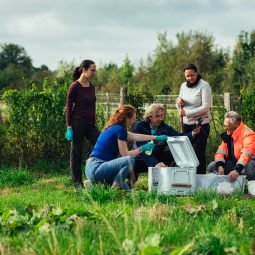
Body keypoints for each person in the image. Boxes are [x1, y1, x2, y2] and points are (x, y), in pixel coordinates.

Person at [85, 104, 168, 190]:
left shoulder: (114, 128)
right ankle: (113, 189)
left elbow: (136, 136)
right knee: (130, 160)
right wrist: (142, 148)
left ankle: (94, 184)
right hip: (97, 167)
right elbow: (125, 155)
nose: (134, 121)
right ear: (126, 118)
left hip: (90, 168)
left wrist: (156, 137)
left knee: (126, 189)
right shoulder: (120, 130)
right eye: (133, 119)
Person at [133, 103, 200, 175]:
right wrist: (155, 163)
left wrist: (192, 133)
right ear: (150, 117)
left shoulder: (165, 128)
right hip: (140, 156)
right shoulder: (140, 126)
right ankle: (129, 180)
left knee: (170, 150)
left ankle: (166, 175)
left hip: (156, 155)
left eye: (161, 115)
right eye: (157, 116)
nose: (160, 119)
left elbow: (178, 137)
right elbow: (142, 149)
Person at [65, 59, 100, 189]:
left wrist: (94, 121)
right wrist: (69, 127)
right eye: (92, 70)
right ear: (84, 70)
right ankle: (77, 184)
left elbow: (93, 106)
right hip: (77, 123)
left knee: (101, 145)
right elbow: (68, 107)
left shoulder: (92, 87)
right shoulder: (74, 86)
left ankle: (98, 175)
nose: (94, 73)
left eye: (95, 70)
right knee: (76, 153)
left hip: (90, 125)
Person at [208, 111, 255, 195]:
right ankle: (226, 184)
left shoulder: (248, 133)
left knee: (250, 168)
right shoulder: (227, 135)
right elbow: (220, 152)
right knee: (212, 166)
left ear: (236, 125)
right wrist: (220, 165)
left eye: (227, 126)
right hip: (235, 163)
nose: (225, 128)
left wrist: (237, 170)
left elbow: (246, 155)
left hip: (246, 164)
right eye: (224, 126)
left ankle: (252, 186)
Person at [176, 63, 212, 174]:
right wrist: (178, 102)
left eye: (192, 75)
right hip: (186, 124)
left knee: (198, 152)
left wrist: (186, 112)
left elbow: (206, 107)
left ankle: (200, 179)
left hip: (200, 124)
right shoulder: (183, 86)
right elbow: (179, 105)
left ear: (197, 73)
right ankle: (188, 178)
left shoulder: (204, 85)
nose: (190, 78)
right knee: (187, 152)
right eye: (187, 76)